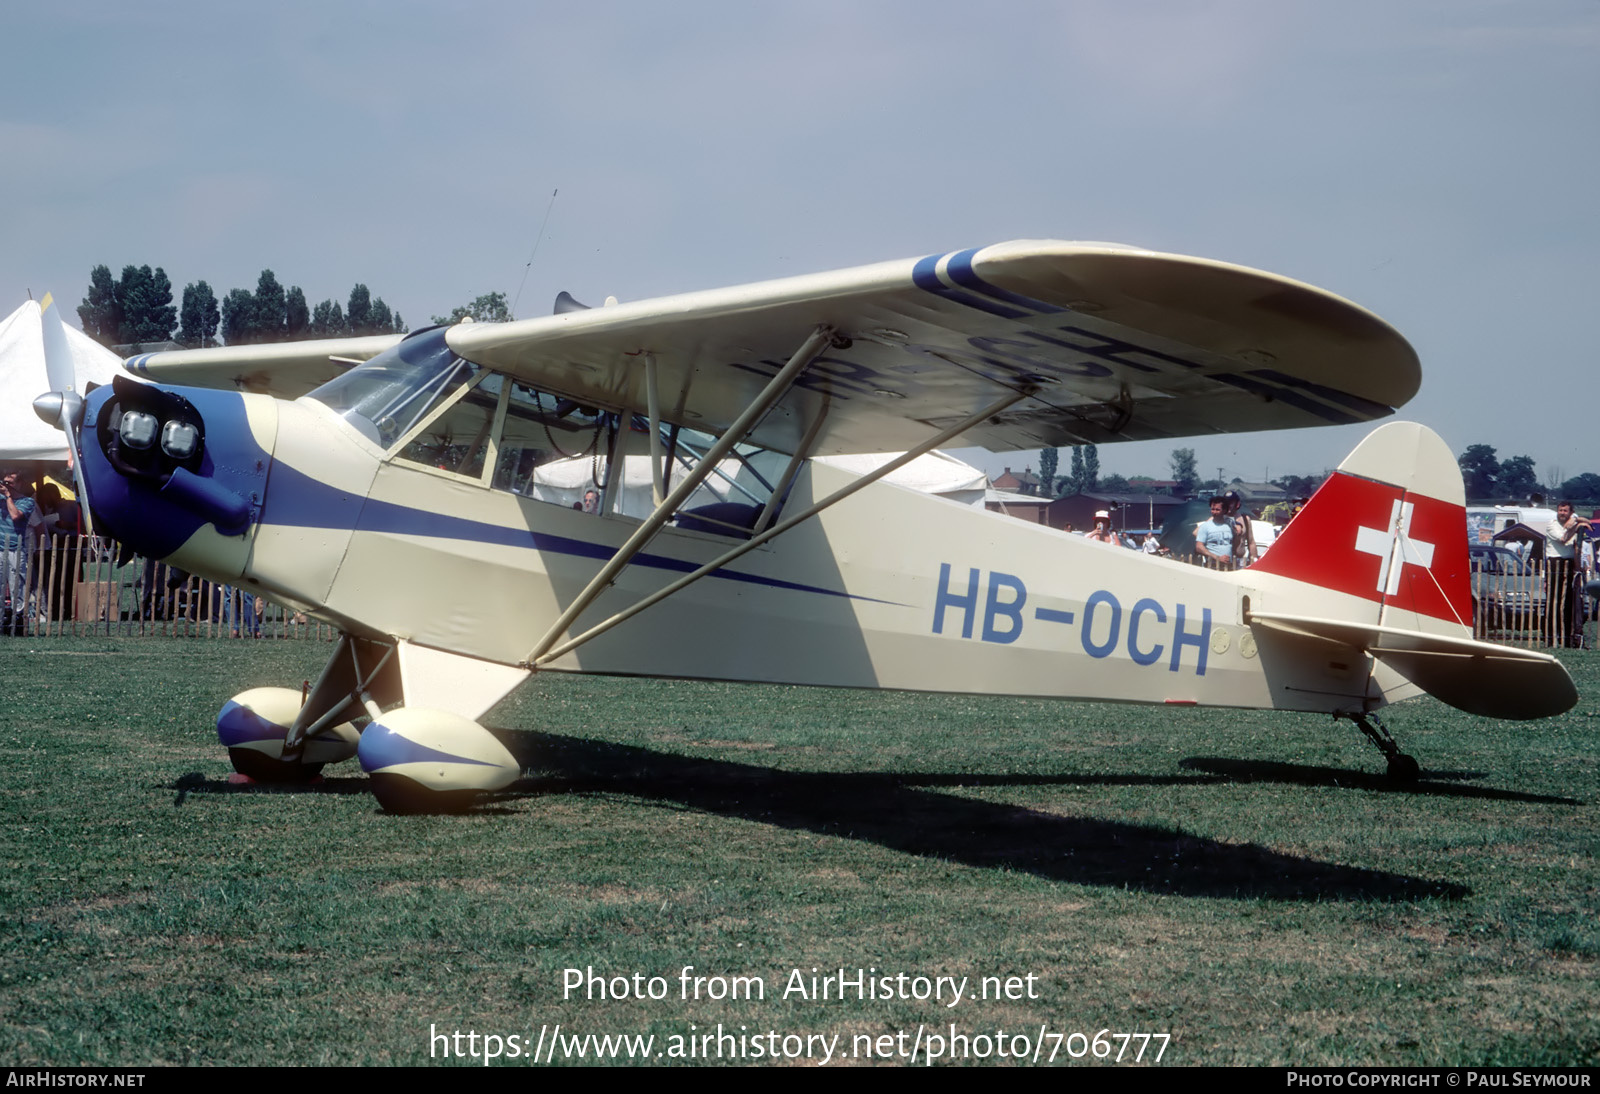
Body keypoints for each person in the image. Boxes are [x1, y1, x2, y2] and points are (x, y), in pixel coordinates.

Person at [1544, 501, 1591, 647]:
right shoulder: (1551, 525)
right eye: (1560, 510)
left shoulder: (1573, 518)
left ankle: (1569, 636)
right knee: (1555, 601)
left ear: (1570, 512)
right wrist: (1576, 526)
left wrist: (1578, 522)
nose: (1562, 513)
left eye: (1565, 511)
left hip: (1570, 563)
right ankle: (1552, 636)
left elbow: (1586, 521)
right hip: (1555, 563)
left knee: (1570, 601)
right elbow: (1563, 538)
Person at [1, 472, 36, 635]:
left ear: (20, 483)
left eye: (11, 483)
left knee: (17, 587)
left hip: (16, 548)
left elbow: (16, 516)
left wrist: (8, 496)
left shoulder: (27, 501)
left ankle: (18, 621)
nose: (7, 485)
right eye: (5, 482)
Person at [1194, 495, 1236, 568]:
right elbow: (1199, 547)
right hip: (1212, 565)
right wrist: (1217, 558)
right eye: (1212, 509)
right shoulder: (1205, 526)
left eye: (1217, 510)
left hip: (1229, 565)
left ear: (1224, 510)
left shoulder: (1230, 525)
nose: (1214, 512)